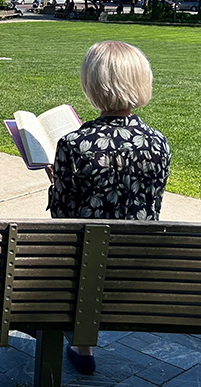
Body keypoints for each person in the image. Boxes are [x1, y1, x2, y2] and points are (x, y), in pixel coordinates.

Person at [47, 41, 170, 374]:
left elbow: (61, 216)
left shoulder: (75, 144)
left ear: (92, 86)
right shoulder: (158, 143)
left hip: (85, 270)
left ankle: (81, 342)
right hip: (134, 266)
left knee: (79, 248)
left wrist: (54, 182)